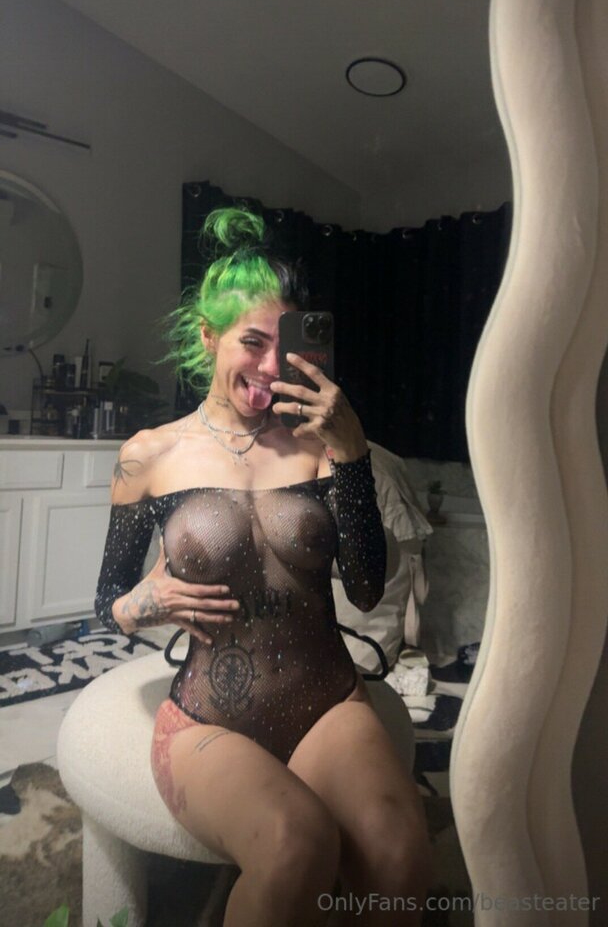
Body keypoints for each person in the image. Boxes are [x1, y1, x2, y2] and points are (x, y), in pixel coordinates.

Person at [95, 207, 431, 926]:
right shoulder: (149, 455)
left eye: (286, 345)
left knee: (401, 854)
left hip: (327, 703)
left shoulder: (320, 445)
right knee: (292, 846)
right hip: (206, 717)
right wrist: (144, 602)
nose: (272, 368)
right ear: (208, 336)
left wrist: (353, 455)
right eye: (252, 342)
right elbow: (108, 601)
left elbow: (365, 588)